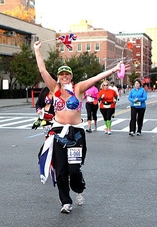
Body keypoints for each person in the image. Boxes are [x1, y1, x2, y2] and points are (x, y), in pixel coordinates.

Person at [34, 40, 127, 214]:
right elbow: (42, 70)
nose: (63, 76)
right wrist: (37, 50)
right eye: (61, 74)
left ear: (71, 76)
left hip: (76, 134)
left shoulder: (79, 88)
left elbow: (97, 77)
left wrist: (114, 70)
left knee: (74, 170)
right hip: (58, 132)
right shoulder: (54, 89)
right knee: (61, 170)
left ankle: (79, 190)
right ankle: (65, 202)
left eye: (66, 74)